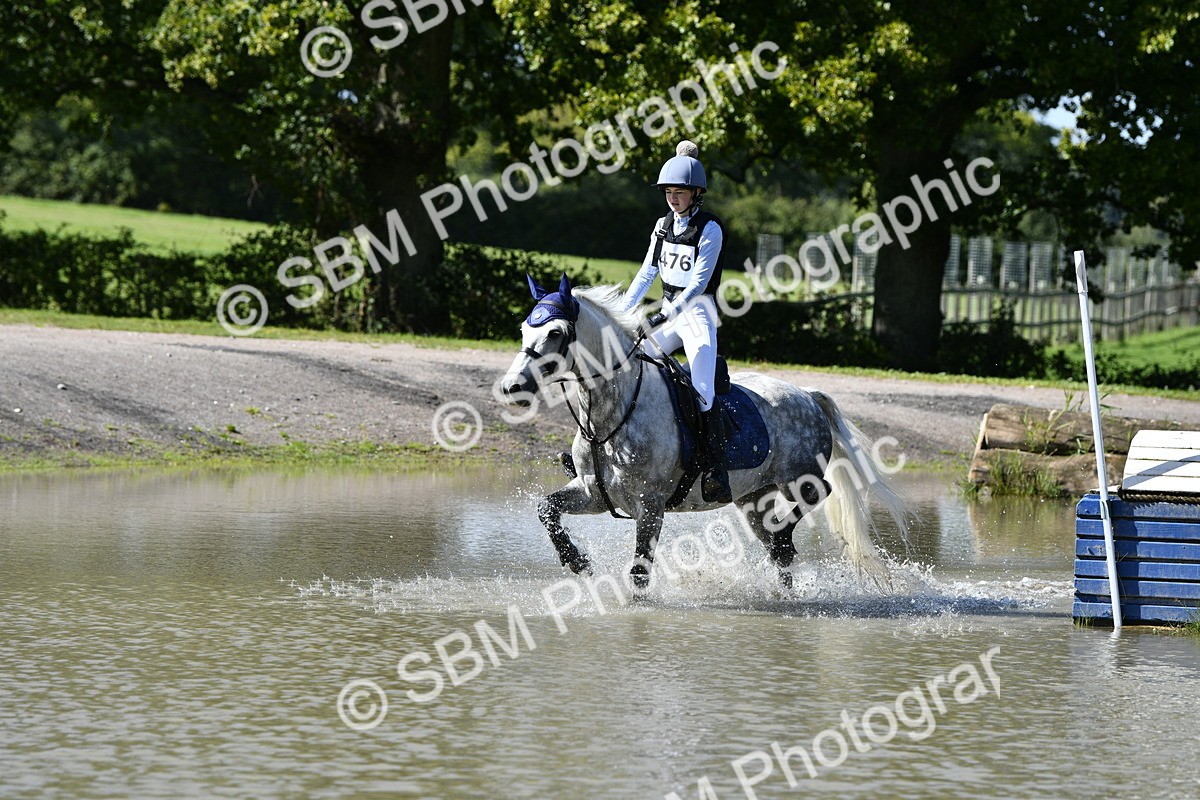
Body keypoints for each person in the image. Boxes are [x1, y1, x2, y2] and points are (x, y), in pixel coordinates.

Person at [622, 140, 731, 504]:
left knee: (701, 389)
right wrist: (624, 311)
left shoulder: (710, 228)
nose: (673, 198)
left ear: (696, 193)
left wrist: (663, 313)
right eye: (668, 192)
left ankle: (715, 468)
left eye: (680, 192)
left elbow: (699, 283)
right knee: (628, 365)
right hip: (668, 310)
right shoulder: (662, 225)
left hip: (697, 315)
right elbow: (646, 273)